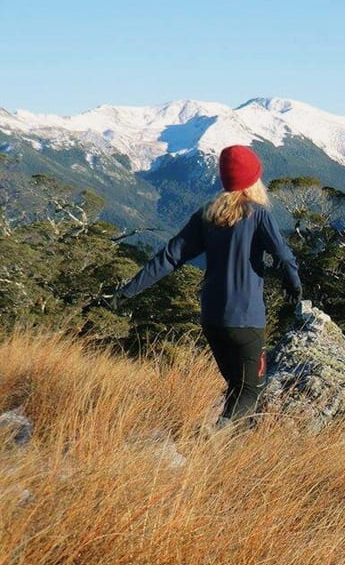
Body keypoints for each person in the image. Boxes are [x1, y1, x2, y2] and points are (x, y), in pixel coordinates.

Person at [110, 145, 302, 430]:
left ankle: (226, 457)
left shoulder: (206, 216)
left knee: (237, 387)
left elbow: (169, 257)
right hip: (245, 320)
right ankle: (214, 436)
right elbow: (284, 256)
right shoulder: (258, 214)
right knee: (251, 389)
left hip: (211, 319)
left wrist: (126, 292)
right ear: (253, 179)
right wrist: (294, 286)